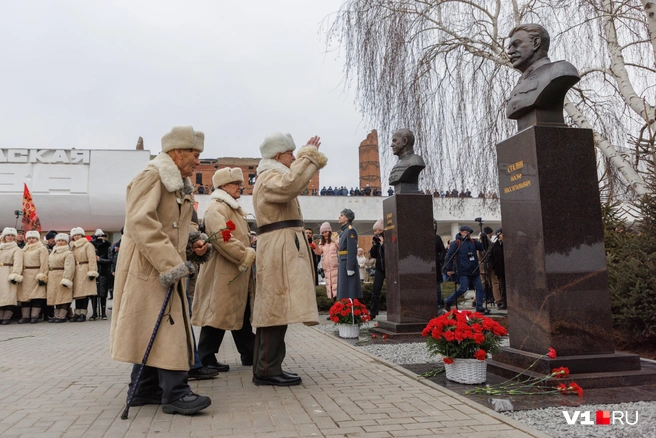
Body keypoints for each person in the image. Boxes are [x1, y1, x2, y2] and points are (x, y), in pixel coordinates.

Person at [109, 126, 211, 415]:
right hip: (150, 266)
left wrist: (195, 244)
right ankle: (176, 393)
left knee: (151, 325)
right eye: (194, 153)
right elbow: (141, 222)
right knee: (170, 326)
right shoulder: (152, 176)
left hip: (162, 264)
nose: (197, 161)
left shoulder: (177, 182)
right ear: (177, 152)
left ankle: (143, 388)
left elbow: (175, 227)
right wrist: (172, 264)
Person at [251, 132, 327, 387]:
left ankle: (268, 366)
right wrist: (309, 156)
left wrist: (305, 158)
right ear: (277, 156)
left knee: (275, 307)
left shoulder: (271, 175)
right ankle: (266, 369)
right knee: (275, 307)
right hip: (278, 247)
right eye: (290, 154)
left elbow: (291, 182)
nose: (293, 158)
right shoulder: (269, 177)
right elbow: (290, 185)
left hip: (280, 245)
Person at [194, 167, 257, 374]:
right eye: (236, 183)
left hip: (232, 271)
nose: (241, 186)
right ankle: (205, 357)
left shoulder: (229, 207)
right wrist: (244, 255)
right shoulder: (217, 208)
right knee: (218, 314)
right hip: (223, 271)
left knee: (238, 312)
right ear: (223, 186)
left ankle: (250, 353)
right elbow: (222, 238)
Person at [506, 23, 579, 127]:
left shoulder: (560, 70)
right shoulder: (518, 85)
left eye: (516, 44)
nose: (510, 51)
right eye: (509, 47)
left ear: (536, 43)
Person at [443, 226, 489, 314]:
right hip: (464, 270)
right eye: (465, 232)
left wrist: (484, 238)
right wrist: (449, 268)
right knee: (463, 289)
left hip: (474, 270)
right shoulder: (456, 243)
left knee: (479, 288)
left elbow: (483, 247)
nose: (467, 234)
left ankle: (479, 307)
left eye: (468, 232)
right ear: (461, 232)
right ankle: (448, 300)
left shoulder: (473, 242)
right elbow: (449, 256)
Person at [19, 231, 49, 324]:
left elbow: (44, 263)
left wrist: (42, 276)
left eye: (33, 238)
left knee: (37, 296)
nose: (31, 240)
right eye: (29, 238)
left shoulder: (42, 249)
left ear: (37, 239)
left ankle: (34, 316)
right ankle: (25, 316)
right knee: (25, 296)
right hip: (25, 274)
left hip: (36, 273)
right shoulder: (24, 249)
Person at [69, 227, 99, 322]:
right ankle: (77, 313)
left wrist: (92, 271)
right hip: (76, 270)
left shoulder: (88, 245)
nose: (77, 237)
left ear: (82, 235)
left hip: (85, 269)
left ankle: (83, 313)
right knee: (77, 293)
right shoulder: (72, 246)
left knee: (84, 292)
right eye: (75, 235)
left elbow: (92, 259)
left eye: (78, 235)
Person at [46, 234, 75, 323]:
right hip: (52, 276)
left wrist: (67, 278)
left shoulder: (68, 253)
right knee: (56, 297)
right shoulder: (53, 251)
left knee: (63, 297)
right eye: (58, 241)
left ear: (66, 242)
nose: (60, 242)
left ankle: (62, 316)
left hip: (61, 275)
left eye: (62, 241)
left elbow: (69, 267)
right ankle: (56, 315)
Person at [336, 209, 362, 300]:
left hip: (347, 262)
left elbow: (351, 249)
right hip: (343, 260)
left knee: (348, 290)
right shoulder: (344, 231)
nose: (339, 217)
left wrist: (350, 267)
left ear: (347, 218)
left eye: (342, 215)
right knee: (343, 289)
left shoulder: (350, 231)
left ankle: (349, 310)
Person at [0, 228, 24, 324]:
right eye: (8, 235)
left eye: (12, 235)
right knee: (1, 296)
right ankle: (0, 316)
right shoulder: (1, 247)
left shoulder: (16, 249)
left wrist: (15, 274)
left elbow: (18, 263)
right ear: (4, 237)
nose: (10, 237)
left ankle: (7, 317)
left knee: (9, 295)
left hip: (8, 272)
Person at [312, 222, 338, 300]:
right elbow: (318, 252)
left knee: (336, 286)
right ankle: (333, 304)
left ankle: (338, 301)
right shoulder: (322, 242)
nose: (324, 234)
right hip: (327, 268)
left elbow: (341, 246)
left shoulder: (336, 238)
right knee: (329, 287)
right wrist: (315, 245)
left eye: (326, 232)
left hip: (336, 267)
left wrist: (335, 239)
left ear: (330, 231)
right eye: (322, 233)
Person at [91, 229, 112, 320]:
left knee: (103, 293)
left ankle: (103, 313)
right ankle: (94, 313)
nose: (100, 238)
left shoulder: (107, 247)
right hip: (93, 272)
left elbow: (110, 260)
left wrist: (100, 260)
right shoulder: (91, 246)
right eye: (98, 236)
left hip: (103, 272)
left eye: (101, 236)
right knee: (93, 293)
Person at [368, 219, 385, 319]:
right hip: (379, 268)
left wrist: (383, 244)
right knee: (375, 290)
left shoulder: (389, 238)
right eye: (375, 231)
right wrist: (375, 245)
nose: (376, 233)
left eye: (378, 230)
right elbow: (373, 255)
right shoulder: (376, 241)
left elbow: (389, 252)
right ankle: (373, 312)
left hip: (389, 268)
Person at [489, 228, 506, 309]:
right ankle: (503, 302)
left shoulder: (507, 244)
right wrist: (494, 265)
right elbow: (490, 257)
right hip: (499, 269)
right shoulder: (494, 245)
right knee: (502, 286)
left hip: (508, 269)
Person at [434, 220, 446, 310]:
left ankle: (438, 303)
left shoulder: (437, 238)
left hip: (435, 264)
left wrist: (440, 259)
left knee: (437, 286)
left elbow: (442, 250)